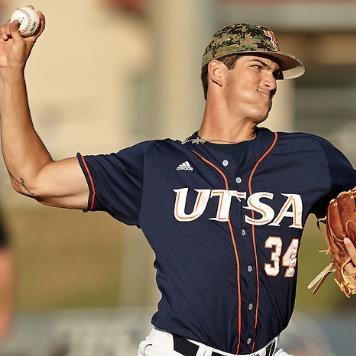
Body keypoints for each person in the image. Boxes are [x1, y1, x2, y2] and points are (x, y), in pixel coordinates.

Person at [0, 8, 355, 355]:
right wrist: (11, 70)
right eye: (258, 67)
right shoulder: (158, 165)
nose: (270, 82)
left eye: (275, 73)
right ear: (218, 73)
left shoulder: (310, 157)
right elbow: (33, 177)